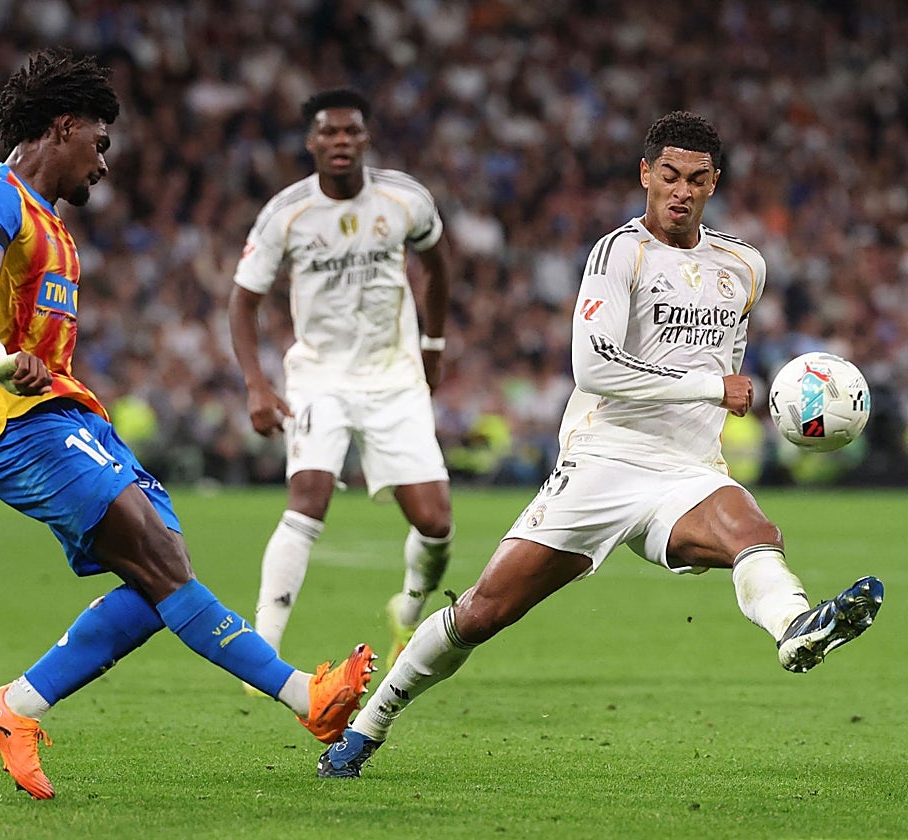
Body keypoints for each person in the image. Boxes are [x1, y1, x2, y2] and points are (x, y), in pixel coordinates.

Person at [317, 111, 884, 778]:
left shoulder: (744, 267)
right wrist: (708, 388)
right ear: (646, 174)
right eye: (669, 175)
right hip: (603, 460)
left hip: (686, 469)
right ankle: (366, 728)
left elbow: (717, 358)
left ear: (714, 184)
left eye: (697, 180)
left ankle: (795, 628)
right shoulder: (619, 253)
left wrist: (728, 408)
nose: (681, 191)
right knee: (482, 612)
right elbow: (596, 369)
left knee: (754, 530)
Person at [0, 49, 374, 800]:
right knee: (161, 561)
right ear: (63, 128)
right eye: (99, 142)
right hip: (21, 427)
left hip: (61, 416)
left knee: (162, 574)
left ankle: (14, 706)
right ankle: (306, 700)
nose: (103, 162)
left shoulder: (51, 227)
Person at [228, 89, 454, 671]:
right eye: (328, 133)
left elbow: (437, 264)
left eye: (351, 132)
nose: (340, 142)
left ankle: (408, 609)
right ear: (311, 142)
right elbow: (242, 301)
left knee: (435, 524)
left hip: (393, 376)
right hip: (319, 378)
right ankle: (264, 648)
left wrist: (433, 343)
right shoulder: (287, 213)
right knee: (308, 501)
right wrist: (256, 383)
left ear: (366, 138)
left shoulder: (406, 199)